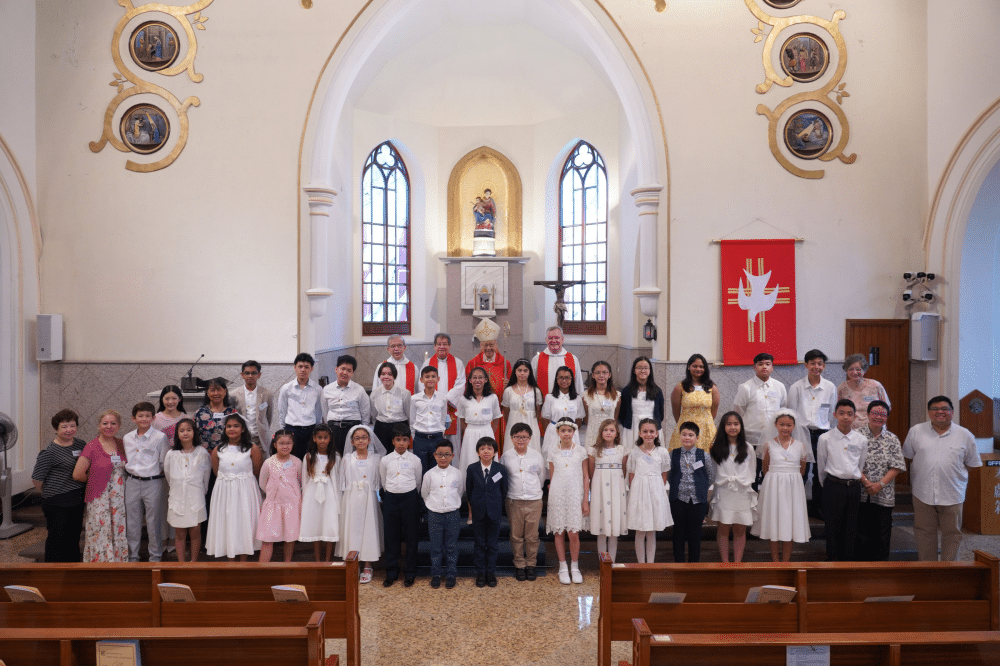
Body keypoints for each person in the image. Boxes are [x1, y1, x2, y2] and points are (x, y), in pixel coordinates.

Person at [903, 396, 983, 561]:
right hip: (922, 492)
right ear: (929, 412)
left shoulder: (965, 435)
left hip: (953, 493)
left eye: (945, 408)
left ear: (952, 412)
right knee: (924, 532)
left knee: (953, 533)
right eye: (935, 409)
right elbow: (908, 456)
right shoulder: (916, 431)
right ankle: (928, 568)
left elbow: (973, 464)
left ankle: (949, 570)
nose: (940, 412)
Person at [752, 409, 810, 562]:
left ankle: (786, 561)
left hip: (793, 488)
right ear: (776, 425)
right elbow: (765, 468)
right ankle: (775, 561)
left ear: (794, 426)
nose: (785, 428)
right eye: (782, 424)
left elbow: (802, 469)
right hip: (773, 486)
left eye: (789, 425)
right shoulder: (768, 445)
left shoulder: (800, 446)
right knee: (774, 521)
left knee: (789, 522)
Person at [786, 349, 836, 519]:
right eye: (813, 363)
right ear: (806, 365)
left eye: (820, 363)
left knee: (820, 472)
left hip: (822, 433)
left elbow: (831, 412)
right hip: (802, 434)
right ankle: (798, 508)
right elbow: (791, 412)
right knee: (802, 471)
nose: (817, 367)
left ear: (824, 366)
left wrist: (825, 428)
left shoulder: (829, 387)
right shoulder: (796, 387)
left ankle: (817, 507)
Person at [205, 414, 263, 561]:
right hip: (224, 491)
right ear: (224, 429)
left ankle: (243, 558)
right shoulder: (218, 449)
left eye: (236, 426)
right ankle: (230, 558)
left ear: (243, 429)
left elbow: (256, 470)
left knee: (244, 521)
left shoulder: (252, 448)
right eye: (229, 426)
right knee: (228, 521)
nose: (232, 429)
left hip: (245, 490)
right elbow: (216, 471)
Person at [72, 409, 128, 562]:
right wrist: (95, 479)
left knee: (117, 529)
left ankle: (118, 563)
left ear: (119, 425)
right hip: (99, 497)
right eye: (105, 423)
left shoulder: (122, 444)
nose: (109, 426)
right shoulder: (91, 446)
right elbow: (78, 474)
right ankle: (101, 564)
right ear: (99, 425)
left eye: (113, 423)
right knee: (101, 530)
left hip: (118, 499)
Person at [32, 409, 87, 562]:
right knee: (57, 538)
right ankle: (52, 572)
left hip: (76, 499)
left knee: (73, 537)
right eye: (64, 426)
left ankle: (72, 570)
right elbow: (36, 479)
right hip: (56, 501)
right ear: (56, 429)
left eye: (72, 425)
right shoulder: (49, 452)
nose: (69, 430)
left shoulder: (80, 444)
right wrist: (52, 491)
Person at [817, 399, 868, 561]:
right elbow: (821, 466)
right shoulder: (825, 438)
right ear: (834, 415)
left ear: (855, 416)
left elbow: (860, 465)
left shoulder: (861, 440)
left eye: (849, 414)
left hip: (853, 487)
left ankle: (848, 561)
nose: (845, 417)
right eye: (841, 413)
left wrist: (855, 479)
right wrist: (828, 485)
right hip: (833, 486)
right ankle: (833, 560)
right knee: (832, 526)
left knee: (851, 525)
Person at [857, 401, 906, 561]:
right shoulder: (857, 435)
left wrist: (880, 484)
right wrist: (866, 482)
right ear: (868, 415)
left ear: (887, 417)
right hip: (861, 492)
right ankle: (861, 568)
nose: (879, 417)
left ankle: (881, 569)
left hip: (884, 493)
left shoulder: (892, 438)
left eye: (883, 414)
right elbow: (851, 462)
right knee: (862, 532)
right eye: (875, 413)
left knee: (882, 533)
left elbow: (897, 466)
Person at [336, 425, 385, 583]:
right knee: (353, 530)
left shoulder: (376, 458)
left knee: (368, 530)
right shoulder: (347, 459)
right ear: (352, 441)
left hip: (369, 498)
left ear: (369, 440)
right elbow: (342, 481)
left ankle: (367, 565)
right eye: (357, 438)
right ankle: (352, 564)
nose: (361, 440)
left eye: (364, 437)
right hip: (351, 497)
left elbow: (379, 480)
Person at [123, 401, 170, 562]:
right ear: (133, 418)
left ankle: (155, 556)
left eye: (147, 416)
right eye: (140, 416)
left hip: (153, 482)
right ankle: (132, 556)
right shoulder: (127, 438)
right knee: (132, 521)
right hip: (132, 482)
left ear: (153, 417)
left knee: (154, 520)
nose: (144, 419)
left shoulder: (160, 437)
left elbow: (164, 462)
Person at [733, 352, 787, 487]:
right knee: (752, 474)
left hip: (774, 439)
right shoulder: (745, 387)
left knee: (771, 474)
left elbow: (783, 410)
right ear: (754, 367)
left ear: (772, 367)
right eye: (760, 364)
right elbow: (738, 413)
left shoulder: (779, 387)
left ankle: (770, 503)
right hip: (752, 440)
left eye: (768, 364)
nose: (764, 367)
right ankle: (752, 505)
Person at [546, 418, 590, 584]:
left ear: (574, 432)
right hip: (558, 494)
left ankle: (575, 566)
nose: (566, 433)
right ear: (558, 432)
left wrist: (586, 499)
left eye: (569, 431)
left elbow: (586, 477)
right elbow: (552, 475)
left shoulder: (581, 451)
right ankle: (562, 566)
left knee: (573, 533)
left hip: (574, 494)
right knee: (559, 531)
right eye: (563, 430)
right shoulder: (552, 451)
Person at [709, 412, 756, 563]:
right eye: (728, 424)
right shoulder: (715, 447)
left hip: (742, 492)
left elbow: (752, 470)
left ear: (741, 426)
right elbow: (713, 471)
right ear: (723, 426)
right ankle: (725, 562)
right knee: (723, 528)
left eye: (736, 424)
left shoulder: (748, 448)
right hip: (724, 492)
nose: (732, 427)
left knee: (740, 530)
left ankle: (737, 563)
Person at [456, 367, 502, 521]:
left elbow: (496, 418)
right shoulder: (464, 399)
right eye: (474, 377)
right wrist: (470, 431)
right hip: (470, 435)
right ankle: (471, 512)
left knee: (489, 471)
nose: (477, 380)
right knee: (471, 472)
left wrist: (489, 435)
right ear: (469, 380)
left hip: (487, 433)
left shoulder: (493, 398)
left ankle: (490, 510)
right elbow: (462, 420)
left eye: (480, 377)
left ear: (485, 379)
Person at [380, 424, 423, 587]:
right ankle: (391, 572)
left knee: (412, 537)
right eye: (398, 440)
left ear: (409, 441)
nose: (401, 443)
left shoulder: (415, 460)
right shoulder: (385, 460)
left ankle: (410, 572)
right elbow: (383, 481)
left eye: (404, 440)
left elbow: (418, 481)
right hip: (391, 498)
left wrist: (410, 494)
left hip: (410, 498)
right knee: (391, 537)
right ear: (393, 441)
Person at [500, 422, 545, 581]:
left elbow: (540, 478)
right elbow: (503, 479)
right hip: (514, 501)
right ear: (512, 438)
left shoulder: (537, 455)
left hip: (534, 500)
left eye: (524, 437)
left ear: (530, 438)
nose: (521, 440)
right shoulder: (505, 457)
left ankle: (531, 564)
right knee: (516, 536)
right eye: (517, 437)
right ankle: (519, 565)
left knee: (532, 536)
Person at [163, 418, 210, 562]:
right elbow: (168, 475)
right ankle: (181, 563)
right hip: (177, 497)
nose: (185, 433)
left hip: (196, 497)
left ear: (194, 432)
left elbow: (206, 476)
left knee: (195, 531)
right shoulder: (171, 454)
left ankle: (194, 562)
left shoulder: (202, 452)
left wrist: (200, 490)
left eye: (189, 430)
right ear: (177, 434)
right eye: (182, 430)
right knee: (180, 533)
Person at [669, 422, 716, 562]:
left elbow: (711, 475)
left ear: (697, 438)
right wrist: (678, 487)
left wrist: (701, 488)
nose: (687, 437)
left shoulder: (704, 455)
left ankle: (694, 564)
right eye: (684, 434)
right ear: (680, 436)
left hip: (697, 501)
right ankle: (678, 563)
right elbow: (669, 474)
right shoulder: (673, 454)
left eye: (691, 435)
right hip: (678, 500)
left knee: (695, 534)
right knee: (678, 532)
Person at [626, 418, 672, 563]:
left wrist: (657, 489)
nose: (648, 434)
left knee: (651, 530)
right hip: (639, 492)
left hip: (656, 491)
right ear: (639, 433)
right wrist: (636, 494)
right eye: (645, 431)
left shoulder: (662, 452)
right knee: (640, 530)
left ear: (657, 433)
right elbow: (631, 475)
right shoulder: (634, 452)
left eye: (651, 431)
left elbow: (664, 473)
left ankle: (650, 564)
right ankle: (641, 563)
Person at [421, 440, 463, 589]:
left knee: (451, 546)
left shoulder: (457, 473)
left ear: (452, 456)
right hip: (435, 515)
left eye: (446, 455)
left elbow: (459, 492)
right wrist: (433, 506)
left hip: (452, 514)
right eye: (440, 455)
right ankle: (436, 574)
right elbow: (424, 494)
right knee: (436, 547)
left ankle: (451, 574)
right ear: (434, 455)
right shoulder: (429, 474)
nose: (443, 458)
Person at [466, 436, 508, 588]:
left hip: (494, 512)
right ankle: (480, 572)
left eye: (489, 448)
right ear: (478, 452)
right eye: (482, 448)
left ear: (495, 452)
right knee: (479, 543)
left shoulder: (500, 469)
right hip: (478, 513)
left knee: (492, 544)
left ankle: (490, 572)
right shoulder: (472, 469)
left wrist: (496, 505)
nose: (486, 451)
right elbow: (469, 491)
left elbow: (504, 491)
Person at [257, 430, 302, 562]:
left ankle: (287, 565)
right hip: (273, 505)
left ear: (293, 444)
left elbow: (300, 481)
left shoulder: (297, 462)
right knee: (268, 538)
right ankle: (262, 569)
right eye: (281, 443)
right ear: (275, 445)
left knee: (290, 536)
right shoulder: (268, 463)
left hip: (291, 505)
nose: (285, 446)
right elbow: (263, 483)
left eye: (288, 443)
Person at [419, 333, 466, 459]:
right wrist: (434, 401)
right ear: (434, 346)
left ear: (449, 346)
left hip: (451, 407)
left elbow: (461, 383)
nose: (442, 347)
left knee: (453, 444)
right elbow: (422, 383)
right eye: (439, 344)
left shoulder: (457, 363)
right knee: (436, 443)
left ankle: (454, 471)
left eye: (445, 344)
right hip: (433, 408)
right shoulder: (428, 363)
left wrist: (446, 399)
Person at [465, 319, 512, 444]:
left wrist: (509, 386)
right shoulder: (473, 363)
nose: (488, 348)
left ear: (496, 345)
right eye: (485, 345)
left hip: (499, 411)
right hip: (478, 412)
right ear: (480, 346)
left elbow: (513, 388)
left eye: (491, 344)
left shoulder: (505, 363)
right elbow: (467, 386)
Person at [299, 424, 341, 562]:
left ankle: (328, 559)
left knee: (329, 525)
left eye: (325, 437)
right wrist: (304, 500)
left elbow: (338, 480)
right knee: (315, 525)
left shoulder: (335, 457)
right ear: (314, 439)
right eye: (319, 437)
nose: (322, 440)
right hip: (313, 495)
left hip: (329, 494)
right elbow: (304, 481)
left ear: (330, 439)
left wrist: (338, 501)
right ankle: (318, 560)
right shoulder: (308, 457)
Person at [588, 419, 628, 563]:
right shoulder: (593, 450)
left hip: (616, 489)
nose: (608, 433)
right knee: (602, 528)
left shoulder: (622, 450)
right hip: (600, 489)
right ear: (601, 432)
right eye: (606, 430)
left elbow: (623, 470)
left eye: (611, 430)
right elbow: (591, 472)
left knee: (613, 529)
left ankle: (612, 562)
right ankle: (602, 563)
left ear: (616, 433)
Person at [321, 354, 370, 459]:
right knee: (335, 460)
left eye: (349, 370)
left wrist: (362, 433)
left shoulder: (359, 390)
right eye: (342, 369)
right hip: (333, 430)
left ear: (352, 373)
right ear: (336, 369)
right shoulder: (327, 389)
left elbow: (365, 413)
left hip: (353, 430)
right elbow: (325, 411)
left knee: (352, 460)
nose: (345, 373)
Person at [668, 354, 719, 452]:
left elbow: (714, 411)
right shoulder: (680, 387)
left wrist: (704, 421)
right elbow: (676, 411)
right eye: (695, 366)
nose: (698, 369)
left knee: (706, 459)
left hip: (706, 429)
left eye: (701, 366)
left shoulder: (712, 387)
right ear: (688, 367)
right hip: (686, 429)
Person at [279, 353, 325, 460]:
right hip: (292, 429)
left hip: (310, 430)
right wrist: (283, 430)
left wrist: (317, 429)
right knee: (292, 460)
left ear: (311, 369)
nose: (303, 370)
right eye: (300, 367)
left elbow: (318, 411)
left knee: (309, 460)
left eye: (306, 367)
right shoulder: (286, 388)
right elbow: (282, 410)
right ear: (295, 368)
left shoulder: (317, 389)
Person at [618, 356, 665, 454]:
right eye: (639, 368)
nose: (642, 370)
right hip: (632, 428)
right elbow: (622, 414)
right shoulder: (626, 391)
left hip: (652, 427)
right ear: (634, 371)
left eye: (645, 368)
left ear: (650, 370)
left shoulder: (657, 391)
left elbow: (660, 413)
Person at [410, 365, 449, 474]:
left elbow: (442, 419)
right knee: (421, 471)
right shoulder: (414, 398)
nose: (430, 379)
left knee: (437, 470)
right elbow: (412, 421)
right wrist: (416, 438)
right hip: (420, 439)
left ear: (438, 379)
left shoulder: (443, 398)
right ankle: (422, 492)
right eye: (427, 377)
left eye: (433, 376)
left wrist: (440, 434)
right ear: (421, 380)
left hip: (437, 438)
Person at [540, 366, 585, 460]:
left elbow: (579, 418)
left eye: (567, 378)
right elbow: (544, 417)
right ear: (556, 379)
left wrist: (572, 430)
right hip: (554, 433)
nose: (564, 380)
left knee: (571, 459)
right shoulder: (550, 397)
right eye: (561, 377)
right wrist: (551, 431)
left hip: (571, 433)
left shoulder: (577, 398)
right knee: (553, 459)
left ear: (572, 380)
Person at [530, 326, 584, 402]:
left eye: (556, 338)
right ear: (546, 340)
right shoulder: (537, 359)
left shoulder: (573, 359)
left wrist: (580, 402)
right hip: (544, 404)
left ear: (562, 339)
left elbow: (578, 384)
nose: (553, 340)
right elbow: (531, 384)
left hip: (568, 405)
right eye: (550, 338)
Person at [230, 360, 275, 451]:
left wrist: (262, 427)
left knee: (261, 463)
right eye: (247, 373)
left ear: (259, 375)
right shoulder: (233, 394)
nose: (250, 376)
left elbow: (268, 416)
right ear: (242, 375)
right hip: (241, 437)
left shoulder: (267, 394)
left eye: (254, 373)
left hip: (260, 438)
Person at [837, 353, 891, 430]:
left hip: (874, 429)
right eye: (851, 369)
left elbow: (887, 407)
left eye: (858, 369)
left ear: (864, 370)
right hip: (851, 431)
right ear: (846, 371)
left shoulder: (875, 386)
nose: (854, 372)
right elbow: (838, 410)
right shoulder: (842, 388)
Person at [501, 359, 543, 455]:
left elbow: (538, 411)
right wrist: (511, 421)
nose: (522, 373)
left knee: (532, 450)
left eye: (525, 370)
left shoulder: (536, 391)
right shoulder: (508, 390)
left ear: (530, 372)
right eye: (519, 370)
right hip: (513, 423)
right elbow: (506, 411)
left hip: (531, 424)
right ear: (515, 372)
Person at [370, 361, 411, 451]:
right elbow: (374, 414)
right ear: (379, 376)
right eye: (383, 374)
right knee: (382, 455)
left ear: (394, 376)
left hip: (400, 427)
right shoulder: (374, 394)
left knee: (400, 455)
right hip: (381, 428)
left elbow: (409, 414)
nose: (386, 377)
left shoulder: (404, 393)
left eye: (390, 374)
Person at [582, 361, 620, 456]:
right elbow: (586, 418)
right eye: (597, 372)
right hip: (592, 434)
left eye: (604, 372)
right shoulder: (586, 395)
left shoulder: (617, 395)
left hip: (609, 435)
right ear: (593, 375)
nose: (601, 375)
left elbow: (615, 417)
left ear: (609, 375)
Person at [194, 377, 238, 451]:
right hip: (205, 454)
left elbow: (238, 435)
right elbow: (194, 435)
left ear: (225, 391)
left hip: (227, 454)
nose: (216, 393)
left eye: (219, 390)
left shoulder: (232, 413)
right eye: (212, 390)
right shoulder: (199, 413)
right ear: (207, 393)